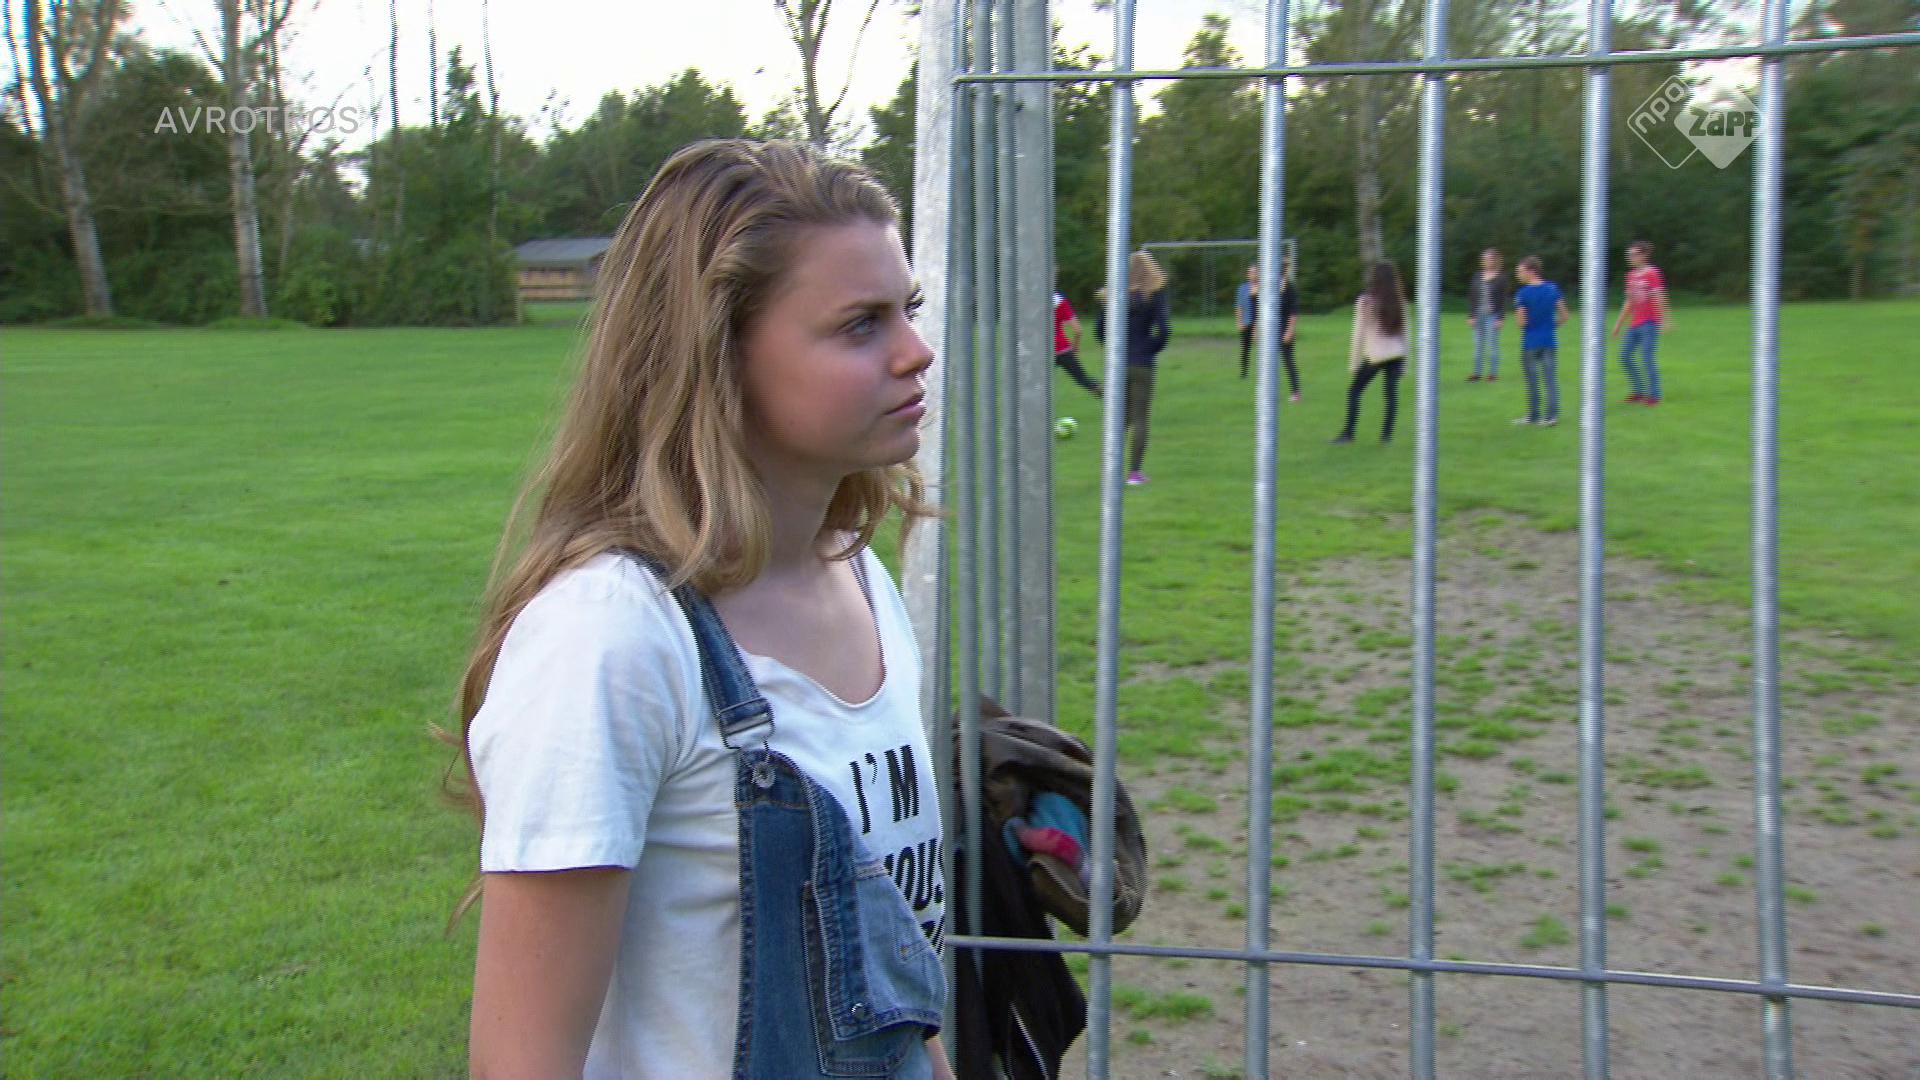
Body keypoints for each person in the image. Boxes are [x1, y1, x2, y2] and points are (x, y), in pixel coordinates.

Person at [458, 140, 954, 1080]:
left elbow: (893, 958)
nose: (916, 351)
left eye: (909, 309)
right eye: (861, 324)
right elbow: (519, 1064)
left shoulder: (859, 578)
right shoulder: (609, 639)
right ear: (716, 355)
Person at [1094, 250, 1171, 485]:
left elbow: (1100, 331)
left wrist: (1114, 348)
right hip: (1142, 362)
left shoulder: (1114, 296)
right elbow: (1164, 330)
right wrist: (1151, 348)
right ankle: (1135, 473)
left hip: (1118, 363)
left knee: (1119, 418)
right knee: (1140, 418)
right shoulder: (1153, 296)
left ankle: (1111, 468)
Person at [1332, 261, 1408, 444]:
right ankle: (1386, 436)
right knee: (1390, 395)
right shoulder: (1399, 301)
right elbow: (1406, 333)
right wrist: (1405, 364)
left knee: (1354, 391)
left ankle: (1348, 433)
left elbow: (1358, 334)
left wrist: (1354, 363)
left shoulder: (1366, 302)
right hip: (1397, 354)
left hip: (1376, 354)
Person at [1512, 254, 1571, 427]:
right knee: (1550, 379)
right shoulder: (1553, 289)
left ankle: (1534, 415)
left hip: (1530, 341)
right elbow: (1565, 315)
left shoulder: (1523, 293)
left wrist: (1527, 322)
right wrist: (1552, 325)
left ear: (1531, 271)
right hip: (1549, 340)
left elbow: (1521, 322)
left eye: (1520, 271)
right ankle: (1552, 416)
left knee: (1532, 380)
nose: (1518, 274)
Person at [1610, 239, 1667, 405]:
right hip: (1635, 323)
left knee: (1647, 358)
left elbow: (1658, 296)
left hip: (1649, 323)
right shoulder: (1631, 276)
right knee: (1625, 356)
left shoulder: (1652, 273)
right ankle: (1639, 391)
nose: (1630, 257)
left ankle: (1654, 395)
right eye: (1629, 254)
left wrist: (1663, 320)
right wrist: (1618, 325)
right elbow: (1629, 302)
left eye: (1634, 254)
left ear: (1644, 255)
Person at [1238, 260, 1302, 402]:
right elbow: (1257, 309)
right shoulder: (1265, 287)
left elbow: (1293, 312)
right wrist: (1255, 329)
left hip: (1283, 327)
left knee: (1288, 360)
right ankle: (1266, 392)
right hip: (1267, 329)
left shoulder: (1289, 287)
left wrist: (1289, 331)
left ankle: (1296, 392)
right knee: (1265, 361)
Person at [1466, 247, 1510, 382]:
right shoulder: (1477, 276)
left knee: (1492, 345)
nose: (1486, 261)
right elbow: (1472, 296)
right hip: (1478, 314)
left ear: (1496, 260)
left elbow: (1504, 299)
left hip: (1493, 315)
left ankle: (1492, 373)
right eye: (1484, 259)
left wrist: (1501, 318)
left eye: (1489, 258)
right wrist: (1471, 315)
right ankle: (1476, 373)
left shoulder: (1502, 278)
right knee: (1478, 345)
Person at [1053, 287, 1101, 398]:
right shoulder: (1061, 302)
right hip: (1062, 348)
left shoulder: (1032, 301)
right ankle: (1103, 391)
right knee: (1082, 378)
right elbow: (1078, 330)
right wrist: (1075, 346)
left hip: (1041, 349)